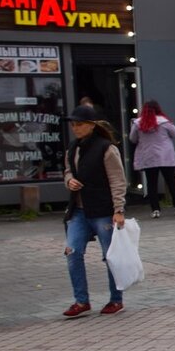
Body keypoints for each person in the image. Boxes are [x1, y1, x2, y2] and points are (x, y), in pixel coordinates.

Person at [62, 104, 127, 317]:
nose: (75, 128)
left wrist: (118, 209)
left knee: (110, 256)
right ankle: (81, 301)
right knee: (72, 251)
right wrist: (69, 180)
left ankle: (116, 299)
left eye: (79, 124)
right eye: (73, 124)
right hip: (78, 210)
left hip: (102, 209)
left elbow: (117, 180)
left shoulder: (106, 148)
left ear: (91, 125)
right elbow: (68, 170)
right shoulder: (73, 147)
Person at [129, 99, 175, 218]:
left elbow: (132, 139)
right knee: (172, 182)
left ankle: (155, 210)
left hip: (148, 156)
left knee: (151, 184)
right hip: (166, 156)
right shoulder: (164, 122)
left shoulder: (138, 123)